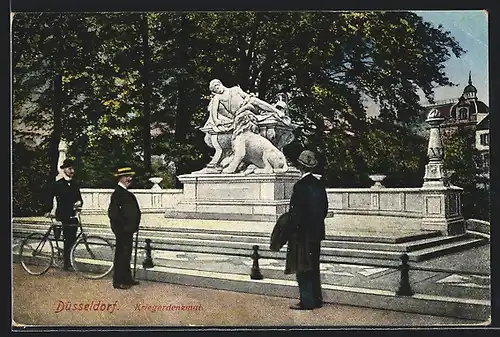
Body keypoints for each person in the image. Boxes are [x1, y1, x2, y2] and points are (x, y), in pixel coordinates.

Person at [285, 150, 329, 310]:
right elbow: (324, 208)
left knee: (302, 268)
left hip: (302, 234)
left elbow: (295, 213)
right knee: (314, 266)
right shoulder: (318, 184)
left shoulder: (300, 186)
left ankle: (307, 301)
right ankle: (316, 299)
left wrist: (291, 230)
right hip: (316, 233)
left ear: (299, 167)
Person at [44, 158, 83, 271]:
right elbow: (49, 197)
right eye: (69, 168)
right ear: (64, 169)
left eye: (73, 169)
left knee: (72, 239)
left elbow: (79, 198)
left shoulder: (75, 184)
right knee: (66, 239)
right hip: (62, 214)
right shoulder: (58, 184)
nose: (72, 171)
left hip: (72, 215)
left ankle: (68, 261)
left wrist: (79, 203)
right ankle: (66, 263)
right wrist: (47, 210)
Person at [107, 166, 142, 290]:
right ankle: (118, 281)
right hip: (123, 230)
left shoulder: (126, 193)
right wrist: (123, 227)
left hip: (129, 229)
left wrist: (134, 225)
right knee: (121, 255)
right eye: (127, 176)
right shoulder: (118, 193)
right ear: (120, 178)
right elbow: (113, 213)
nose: (130, 179)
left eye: (130, 176)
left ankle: (127, 279)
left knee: (127, 254)